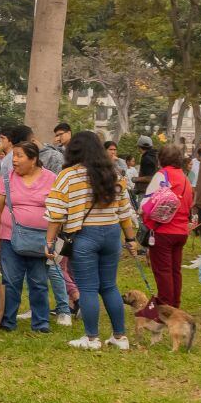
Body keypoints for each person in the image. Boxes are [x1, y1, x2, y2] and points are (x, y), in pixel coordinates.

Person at [45, 130, 136, 350]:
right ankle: (120, 337)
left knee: (87, 288)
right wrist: (131, 239)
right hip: (112, 234)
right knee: (109, 286)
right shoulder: (114, 174)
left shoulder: (68, 176)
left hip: (84, 235)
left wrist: (49, 242)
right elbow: (125, 212)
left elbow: (56, 213)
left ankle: (92, 338)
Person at [0, 126, 59, 332]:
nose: (14, 160)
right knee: (11, 281)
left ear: (33, 159)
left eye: (19, 156)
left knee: (39, 282)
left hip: (40, 240)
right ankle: (8, 322)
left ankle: (41, 322)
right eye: (14, 156)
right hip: (9, 238)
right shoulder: (7, 179)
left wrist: (53, 240)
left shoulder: (51, 179)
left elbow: (57, 210)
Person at [140, 144, 194, 322]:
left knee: (162, 271)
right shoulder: (184, 178)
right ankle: (174, 305)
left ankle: (164, 308)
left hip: (163, 231)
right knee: (174, 270)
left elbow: (145, 204)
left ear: (160, 159)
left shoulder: (162, 175)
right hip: (181, 231)